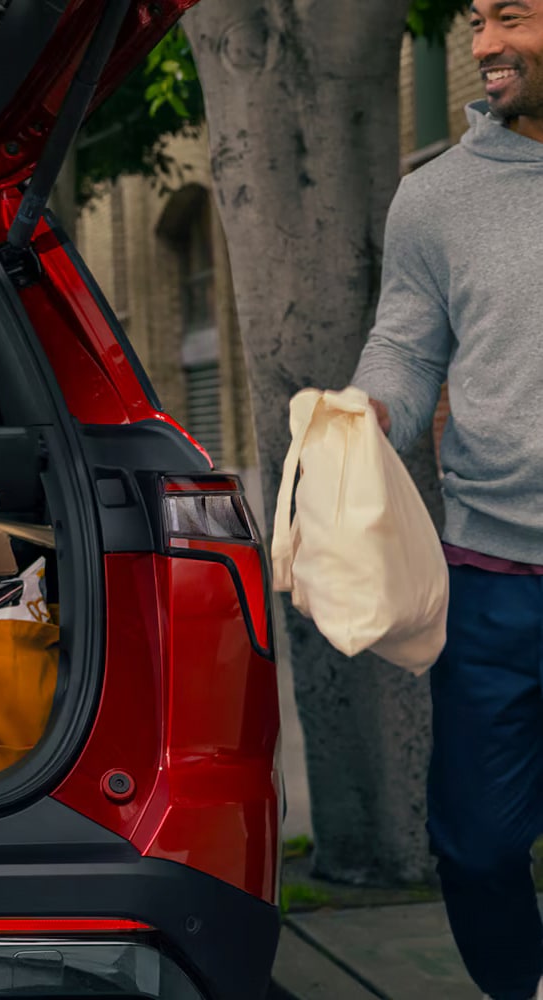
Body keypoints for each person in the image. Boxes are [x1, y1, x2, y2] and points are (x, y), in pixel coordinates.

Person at [351, 2, 543, 998]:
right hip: (494, 580)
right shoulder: (437, 198)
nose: (479, 46)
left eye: (509, 12)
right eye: (474, 19)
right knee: (474, 846)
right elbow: (405, 345)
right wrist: (365, 416)